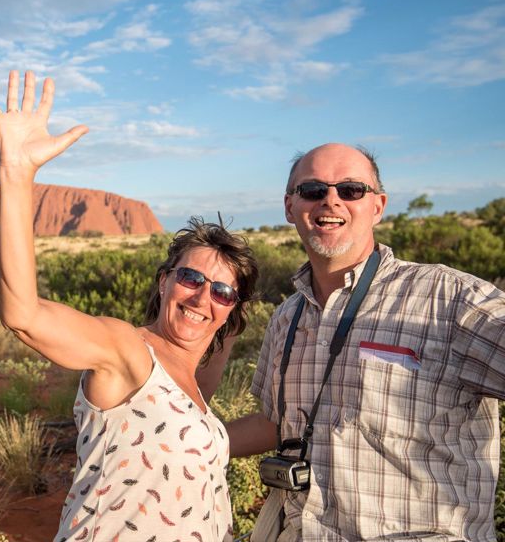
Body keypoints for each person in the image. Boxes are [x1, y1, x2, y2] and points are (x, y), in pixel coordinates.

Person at [0, 71, 260, 542]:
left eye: (220, 291)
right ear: (164, 281)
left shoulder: (192, 381)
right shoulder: (126, 350)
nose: (200, 297)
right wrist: (16, 173)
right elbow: (23, 315)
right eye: (190, 278)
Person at [201, 142, 505, 541]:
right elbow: (278, 423)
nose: (331, 200)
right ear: (290, 207)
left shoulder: (447, 300)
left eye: (351, 190)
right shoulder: (288, 317)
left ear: (377, 206)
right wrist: (188, 444)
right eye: (312, 190)